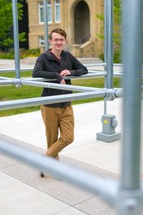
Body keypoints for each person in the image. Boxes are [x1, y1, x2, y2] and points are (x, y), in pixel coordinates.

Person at [33, 28, 88, 177]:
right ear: (50, 41)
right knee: (52, 141)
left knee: (68, 137)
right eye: (55, 39)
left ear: (65, 41)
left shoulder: (68, 56)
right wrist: (56, 75)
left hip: (66, 104)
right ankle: (53, 168)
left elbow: (84, 69)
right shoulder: (43, 57)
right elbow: (36, 73)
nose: (58, 42)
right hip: (49, 104)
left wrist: (72, 72)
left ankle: (44, 160)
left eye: (61, 40)